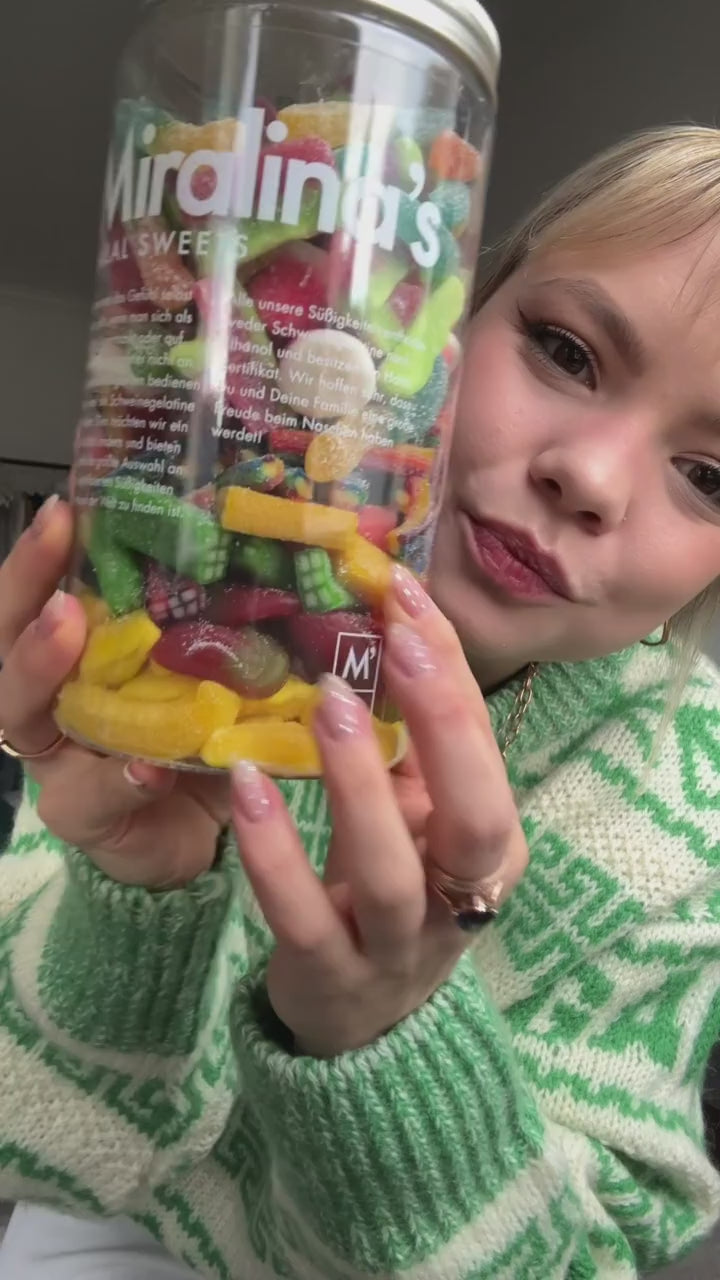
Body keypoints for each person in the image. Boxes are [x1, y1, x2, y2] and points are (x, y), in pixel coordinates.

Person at [0, 123, 719, 1280]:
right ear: (446, 318)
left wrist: (385, 1036)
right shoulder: (186, 613)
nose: (588, 476)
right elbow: (35, 1143)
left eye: (710, 476)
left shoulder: (696, 804)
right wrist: (133, 899)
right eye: (566, 351)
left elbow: (585, 1255)